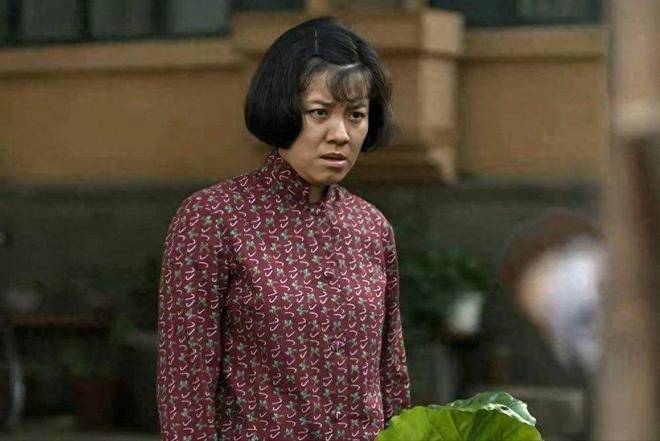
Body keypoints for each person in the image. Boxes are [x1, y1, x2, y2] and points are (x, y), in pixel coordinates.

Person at [156, 16, 411, 441]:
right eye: (319, 113)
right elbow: (185, 390)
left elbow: (392, 377)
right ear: (282, 109)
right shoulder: (213, 218)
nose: (340, 134)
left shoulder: (371, 227)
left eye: (356, 115)